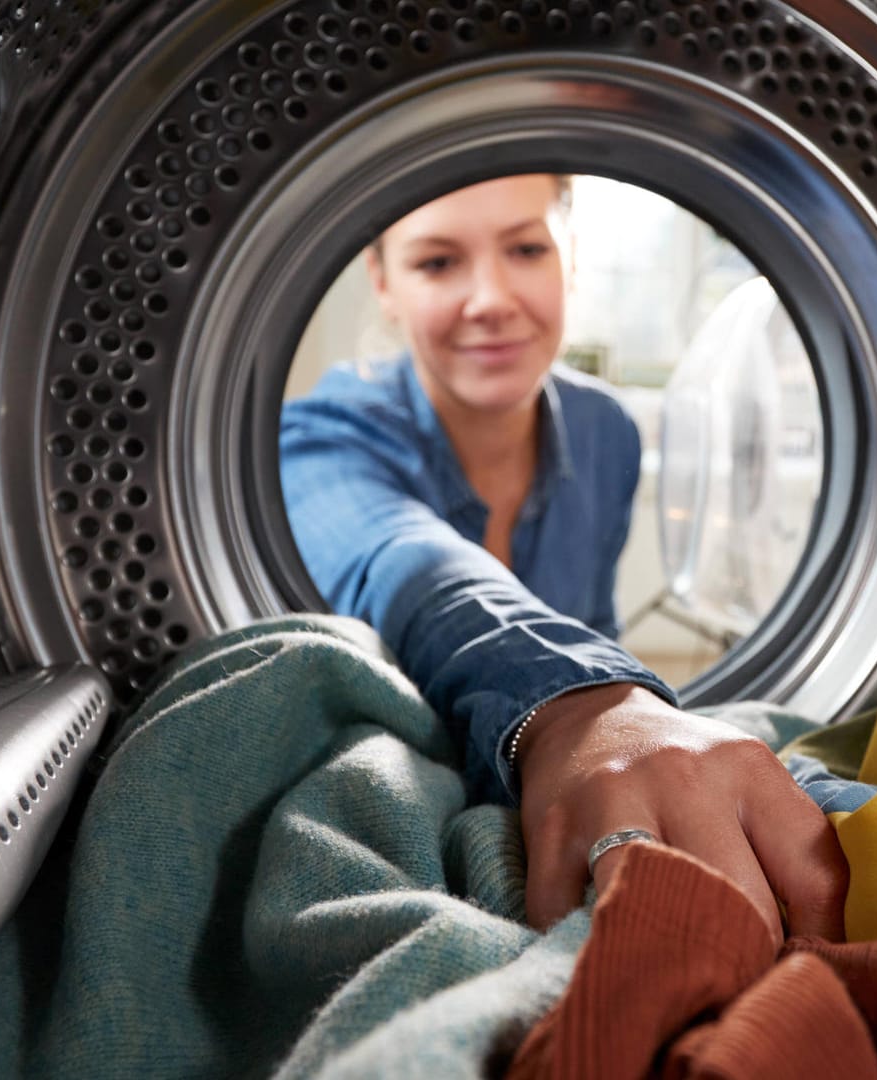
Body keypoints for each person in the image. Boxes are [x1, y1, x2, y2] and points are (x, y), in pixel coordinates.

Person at [279, 174, 847, 942]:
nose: (491, 299)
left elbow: (597, 626)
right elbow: (408, 564)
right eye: (439, 263)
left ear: (568, 257)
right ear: (384, 284)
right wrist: (586, 708)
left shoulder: (605, 431)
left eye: (525, 248)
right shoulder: (320, 435)